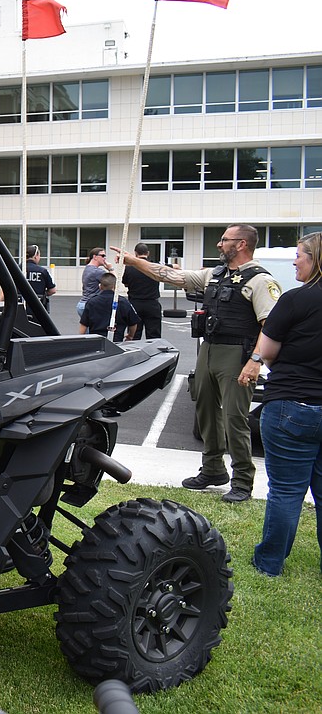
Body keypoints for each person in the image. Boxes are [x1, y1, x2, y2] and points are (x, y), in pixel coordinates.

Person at [114, 224, 281, 503]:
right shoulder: (214, 275)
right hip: (210, 349)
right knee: (204, 409)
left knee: (234, 418)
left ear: (241, 244)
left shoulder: (260, 281)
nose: (219, 244)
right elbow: (172, 276)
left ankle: (242, 481)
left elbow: (271, 325)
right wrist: (132, 261)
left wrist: (255, 361)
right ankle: (213, 469)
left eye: (224, 240)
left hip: (238, 354)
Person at [238, 233, 322, 576]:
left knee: (286, 491)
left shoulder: (294, 300)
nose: (294, 261)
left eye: (299, 255)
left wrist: (257, 359)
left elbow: (267, 351)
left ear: (314, 259)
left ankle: (269, 563)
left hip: (292, 403)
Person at [78, 273, 139, 342]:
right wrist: (130, 336)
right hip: (116, 342)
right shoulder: (123, 302)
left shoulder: (92, 302)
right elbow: (133, 323)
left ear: (100, 286)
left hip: (97, 341)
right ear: (115, 286)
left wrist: (81, 339)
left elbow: (84, 324)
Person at [122, 243, 162, 340]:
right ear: (148, 253)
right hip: (152, 303)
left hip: (135, 303)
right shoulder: (154, 266)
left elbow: (126, 283)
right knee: (154, 335)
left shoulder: (130, 268)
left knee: (134, 334)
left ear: (135, 253)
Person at [78, 247, 109, 318]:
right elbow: (114, 281)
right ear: (95, 257)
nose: (104, 258)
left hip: (83, 303)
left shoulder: (88, 268)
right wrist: (111, 268)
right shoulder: (97, 271)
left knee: (87, 327)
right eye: (102, 256)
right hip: (92, 305)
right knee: (96, 328)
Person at [23, 245, 56, 311]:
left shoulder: (17, 269)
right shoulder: (42, 271)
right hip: (38, 306)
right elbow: (52, 290)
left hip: (20, 305)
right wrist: (44, 294)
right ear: (36, 256)